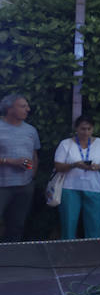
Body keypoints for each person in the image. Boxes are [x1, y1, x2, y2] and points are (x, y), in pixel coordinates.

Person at [53, 115, 100, 240]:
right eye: (83, 129)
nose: (86, 132)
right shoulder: (66, 144)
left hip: (94, 187)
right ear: (76, 129)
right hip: (70, 187)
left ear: (93, 129)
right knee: (69, 224)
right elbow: (58, 166)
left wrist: (97, 166)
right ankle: (67, 252)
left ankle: (94, 253)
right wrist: (75, 165)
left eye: (89, 129)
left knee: (95, 224)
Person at [0, 93, 40, 242]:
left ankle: (13, 258)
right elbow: (13, 160)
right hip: (2, 186)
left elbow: (34, 155)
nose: (28, 109)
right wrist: (10, 161)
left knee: (17, 225)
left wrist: (31, 174)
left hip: (24, 186)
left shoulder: (31, 130)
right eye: (23, 106)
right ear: (10, 109)